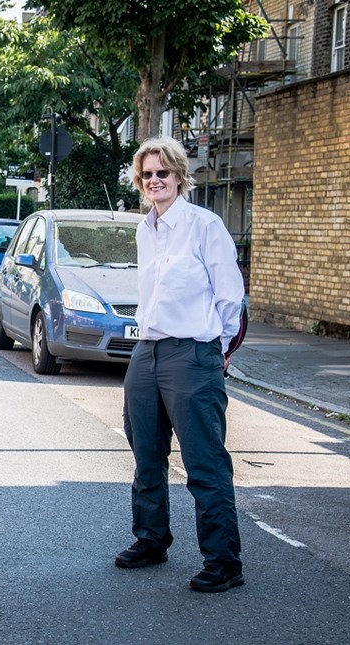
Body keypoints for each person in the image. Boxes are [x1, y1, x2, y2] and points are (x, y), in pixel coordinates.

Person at [116, 135, 245, 592]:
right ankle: (151, 539)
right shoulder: (143, 229)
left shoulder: (204, 225)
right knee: (145, 454)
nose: (154, 181)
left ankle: (224, 561)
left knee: (204, 461)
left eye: (162, 173)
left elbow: (232, 298)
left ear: (179, 176)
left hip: (192, 352)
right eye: (147, 174)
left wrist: (215, 351)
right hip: (147, 351)